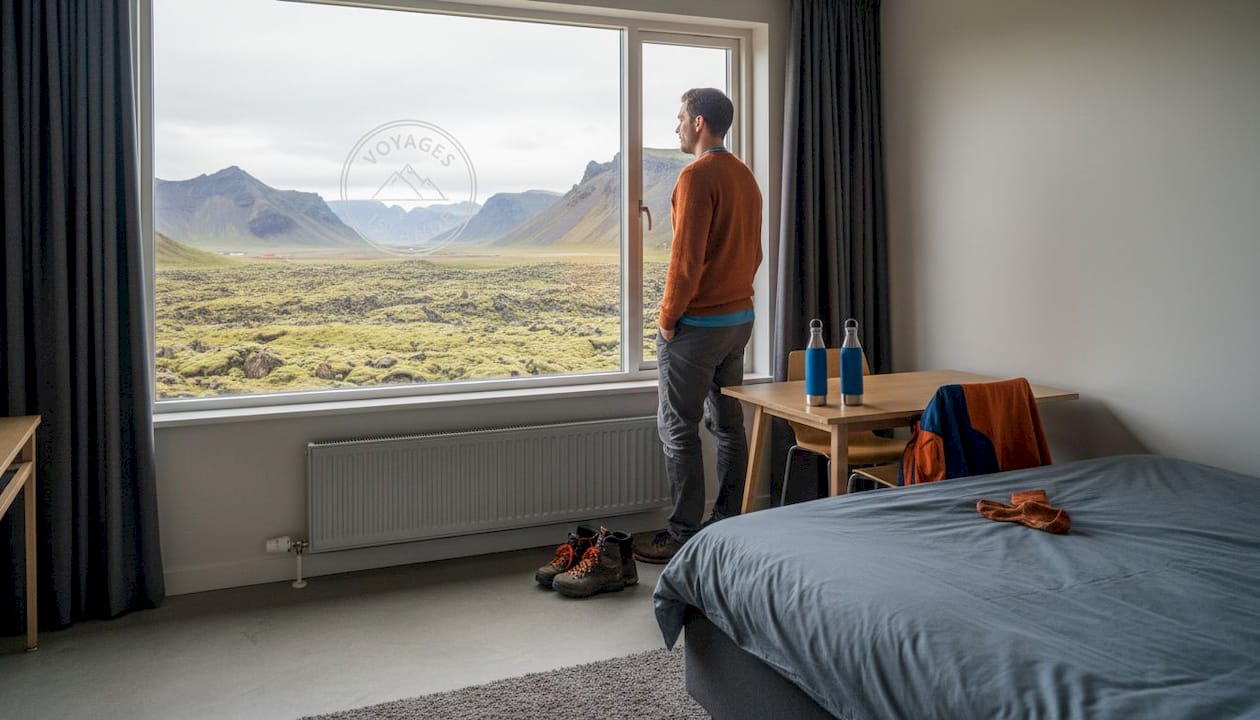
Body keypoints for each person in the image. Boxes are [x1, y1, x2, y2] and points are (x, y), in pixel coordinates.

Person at [633, 88, 763, 564]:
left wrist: (668, 319)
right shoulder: (745, 176)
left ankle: (683, 535)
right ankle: (727, 524)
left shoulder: (696, 176)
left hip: (699, 325)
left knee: (678, 428)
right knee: (727, 425)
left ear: (700, 122)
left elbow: (685, 261)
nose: (677, 127)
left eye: (681, 118)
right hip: (739, 321)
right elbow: (755, 253)